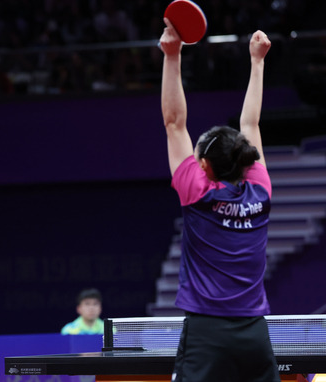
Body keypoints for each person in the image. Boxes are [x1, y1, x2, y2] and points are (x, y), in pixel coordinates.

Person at [159, 18, 280, 382]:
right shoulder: (259, 190)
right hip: (255, 335)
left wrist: (172, 54)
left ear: (206, 166)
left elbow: (174, 123)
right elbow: (251, 125)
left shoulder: (197, 193)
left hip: (207, 336)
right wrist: (257, 62)